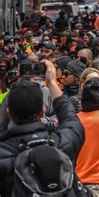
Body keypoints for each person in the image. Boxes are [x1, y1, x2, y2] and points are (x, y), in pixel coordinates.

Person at [0, 60, 85, 195]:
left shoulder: (4, 155)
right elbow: (69, 116)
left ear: (9, 113)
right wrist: (52, 82)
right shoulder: (63, 142)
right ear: (41, 112)